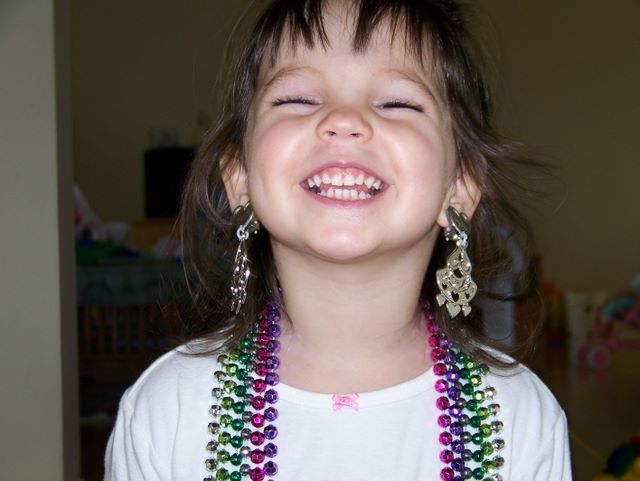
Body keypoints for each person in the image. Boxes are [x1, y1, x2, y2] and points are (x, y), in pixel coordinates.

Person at [105, 0, 572, 480]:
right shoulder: (169, 413)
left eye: (397, 103)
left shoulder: (519, 421)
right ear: (239, 177)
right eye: (297, 99)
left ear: (461, 186)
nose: (344, 118)